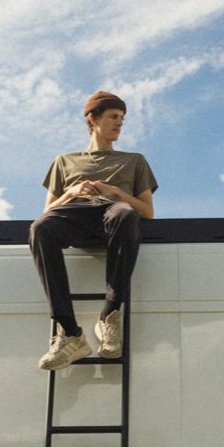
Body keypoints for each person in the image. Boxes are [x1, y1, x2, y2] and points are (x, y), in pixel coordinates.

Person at [29, 91, 158, 370]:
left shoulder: (134, 160)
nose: (120, 123)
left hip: (113, 213)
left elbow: (147, 211)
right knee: (40, 228)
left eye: (122, 118)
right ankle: (70, 334)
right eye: (113, 117)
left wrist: (115, 192)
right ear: (93, 119)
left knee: (125, 213)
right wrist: (71, 192)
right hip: (75, 213)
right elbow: (47, 211)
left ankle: (109, 316)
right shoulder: (64, 161)